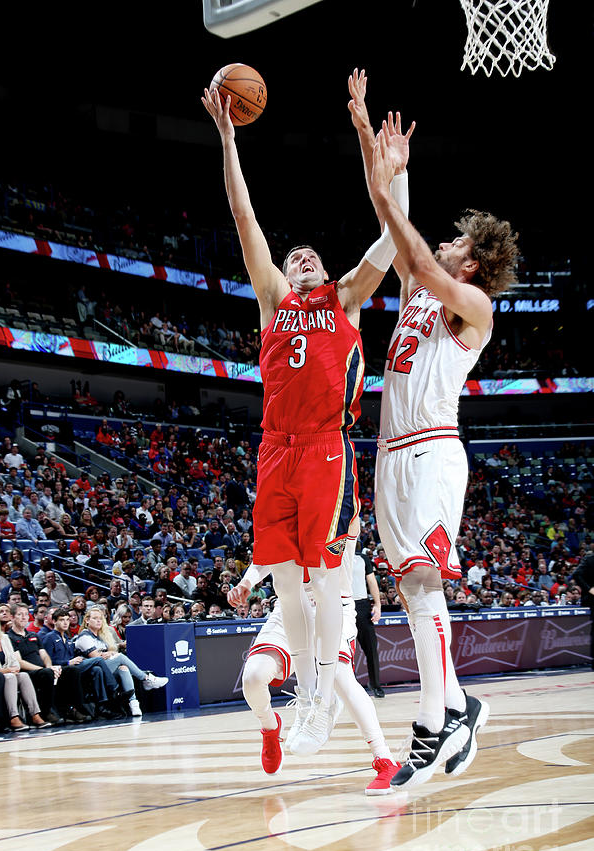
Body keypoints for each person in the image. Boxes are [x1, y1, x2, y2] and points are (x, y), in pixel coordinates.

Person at [202, 78, 400, 755]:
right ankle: (306, 698)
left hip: (323, 448)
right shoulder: (272, 303)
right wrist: (229, 140)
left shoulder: (342, 301)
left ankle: (323, 701)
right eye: (293, 258)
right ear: (284, 275)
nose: (300, 258)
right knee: (285, 579)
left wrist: (376, 156)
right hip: (274, 450)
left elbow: (388, 245)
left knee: (321, 582)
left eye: (308, 255)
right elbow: (244, 218)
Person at [355, 71, 518, 787]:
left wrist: (389, 190)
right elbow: (397, 239)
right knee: (410, 589)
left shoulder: (471, 305)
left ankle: (434, 722)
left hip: (429, 450)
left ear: (472, 261)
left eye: (456, 241)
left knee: (423, 579)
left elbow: (413, 249)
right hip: (387, 454)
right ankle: (454, 705)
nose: (444, 245)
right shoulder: (420, 289)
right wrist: (373, 150)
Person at [229, 543, 400, 793]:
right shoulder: (282, 506)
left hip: (333, 602)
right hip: (289, 606)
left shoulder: (338, 506)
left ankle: (384, 758)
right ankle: (270, 726)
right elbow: (271, 550)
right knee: (253, 677)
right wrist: (247, 581)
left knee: (340, 676)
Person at [74, 607, 168, 716]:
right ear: (87, 620)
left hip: (103, 667)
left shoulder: (100, 636)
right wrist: (110, 654)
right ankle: (147, 678)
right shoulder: (84, 635)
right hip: (91, 670)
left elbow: (106, 654)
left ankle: (133, 703)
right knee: (119, 657)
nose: (99, 621)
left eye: (100, 618)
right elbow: (95, 657)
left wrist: (109, 654)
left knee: (124, 668)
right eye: (95, 618)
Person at [0, 607, 50, 730]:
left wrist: (13, 668)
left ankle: (35, 715)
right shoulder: (10, 636)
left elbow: (15, 662)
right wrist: (8, 670)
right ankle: (13, 717)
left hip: (9, 671)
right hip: (1, 674)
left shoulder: (4, 638)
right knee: (10, 677)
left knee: (23, 676)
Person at [352, 543, 384, 698]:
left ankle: (375, 684)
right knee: (346, 651)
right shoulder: (335, 555)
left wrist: (377, 604)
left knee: (371, 648)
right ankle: (350, 687)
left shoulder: (362, 558)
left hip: (363, 605)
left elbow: (372, 582)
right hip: (342, 605)